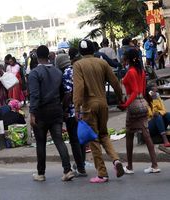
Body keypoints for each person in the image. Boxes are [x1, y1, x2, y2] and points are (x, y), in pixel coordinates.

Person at [73, 39, 125, 183]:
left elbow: (79, 88)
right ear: (93, 49)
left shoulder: (78, 65)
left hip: (89, 106)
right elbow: (115, 82)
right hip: (103, 104)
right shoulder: (102, 63)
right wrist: (121, 99)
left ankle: (102, 173)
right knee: (104, 135)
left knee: (93, 139)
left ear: (80, 52)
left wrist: (77, 107)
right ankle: (116, 160)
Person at [28, 45, 75, 182]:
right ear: (48, 56)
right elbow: (63, 93)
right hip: (56, 110)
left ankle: (41, 173)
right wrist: (62, 109)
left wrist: (32, 114)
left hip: (41, 112)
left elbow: (35, 96)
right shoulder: (57, 72)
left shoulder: (34, 73)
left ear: (37, 57)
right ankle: (67, 170)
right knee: (59, 140)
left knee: (41, 142)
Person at [119, 48, 160, 174]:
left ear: (128, 59)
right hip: (143, 103)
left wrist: (126, 104)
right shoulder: (141, 71)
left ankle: (130, 166)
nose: (123, 59)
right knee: (146, 134)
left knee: (129, 135)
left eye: (124, 57)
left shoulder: (131, 72)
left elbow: (135, 91)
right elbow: (142, 91)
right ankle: (154, 164)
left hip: (134, 105)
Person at [56, 50, 87, 177]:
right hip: (83, 108)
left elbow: (68, 94)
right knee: (82, 139)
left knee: (74, 140)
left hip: (72, 112)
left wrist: (63, 109)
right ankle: (81, 164)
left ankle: (80, 168)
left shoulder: (66, 73)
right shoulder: (78, 68)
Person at [146, 83, 170, 147]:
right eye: (154, 89)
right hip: (150, 126)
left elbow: (164, 110)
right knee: (157, 117)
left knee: (168, 114)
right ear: (149, 91)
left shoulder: (157, 97)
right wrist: (153, 100)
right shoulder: (146, 100)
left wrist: (159, 113)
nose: (156, 91)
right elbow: (151, 114)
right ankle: (165, 140)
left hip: (160, 122)